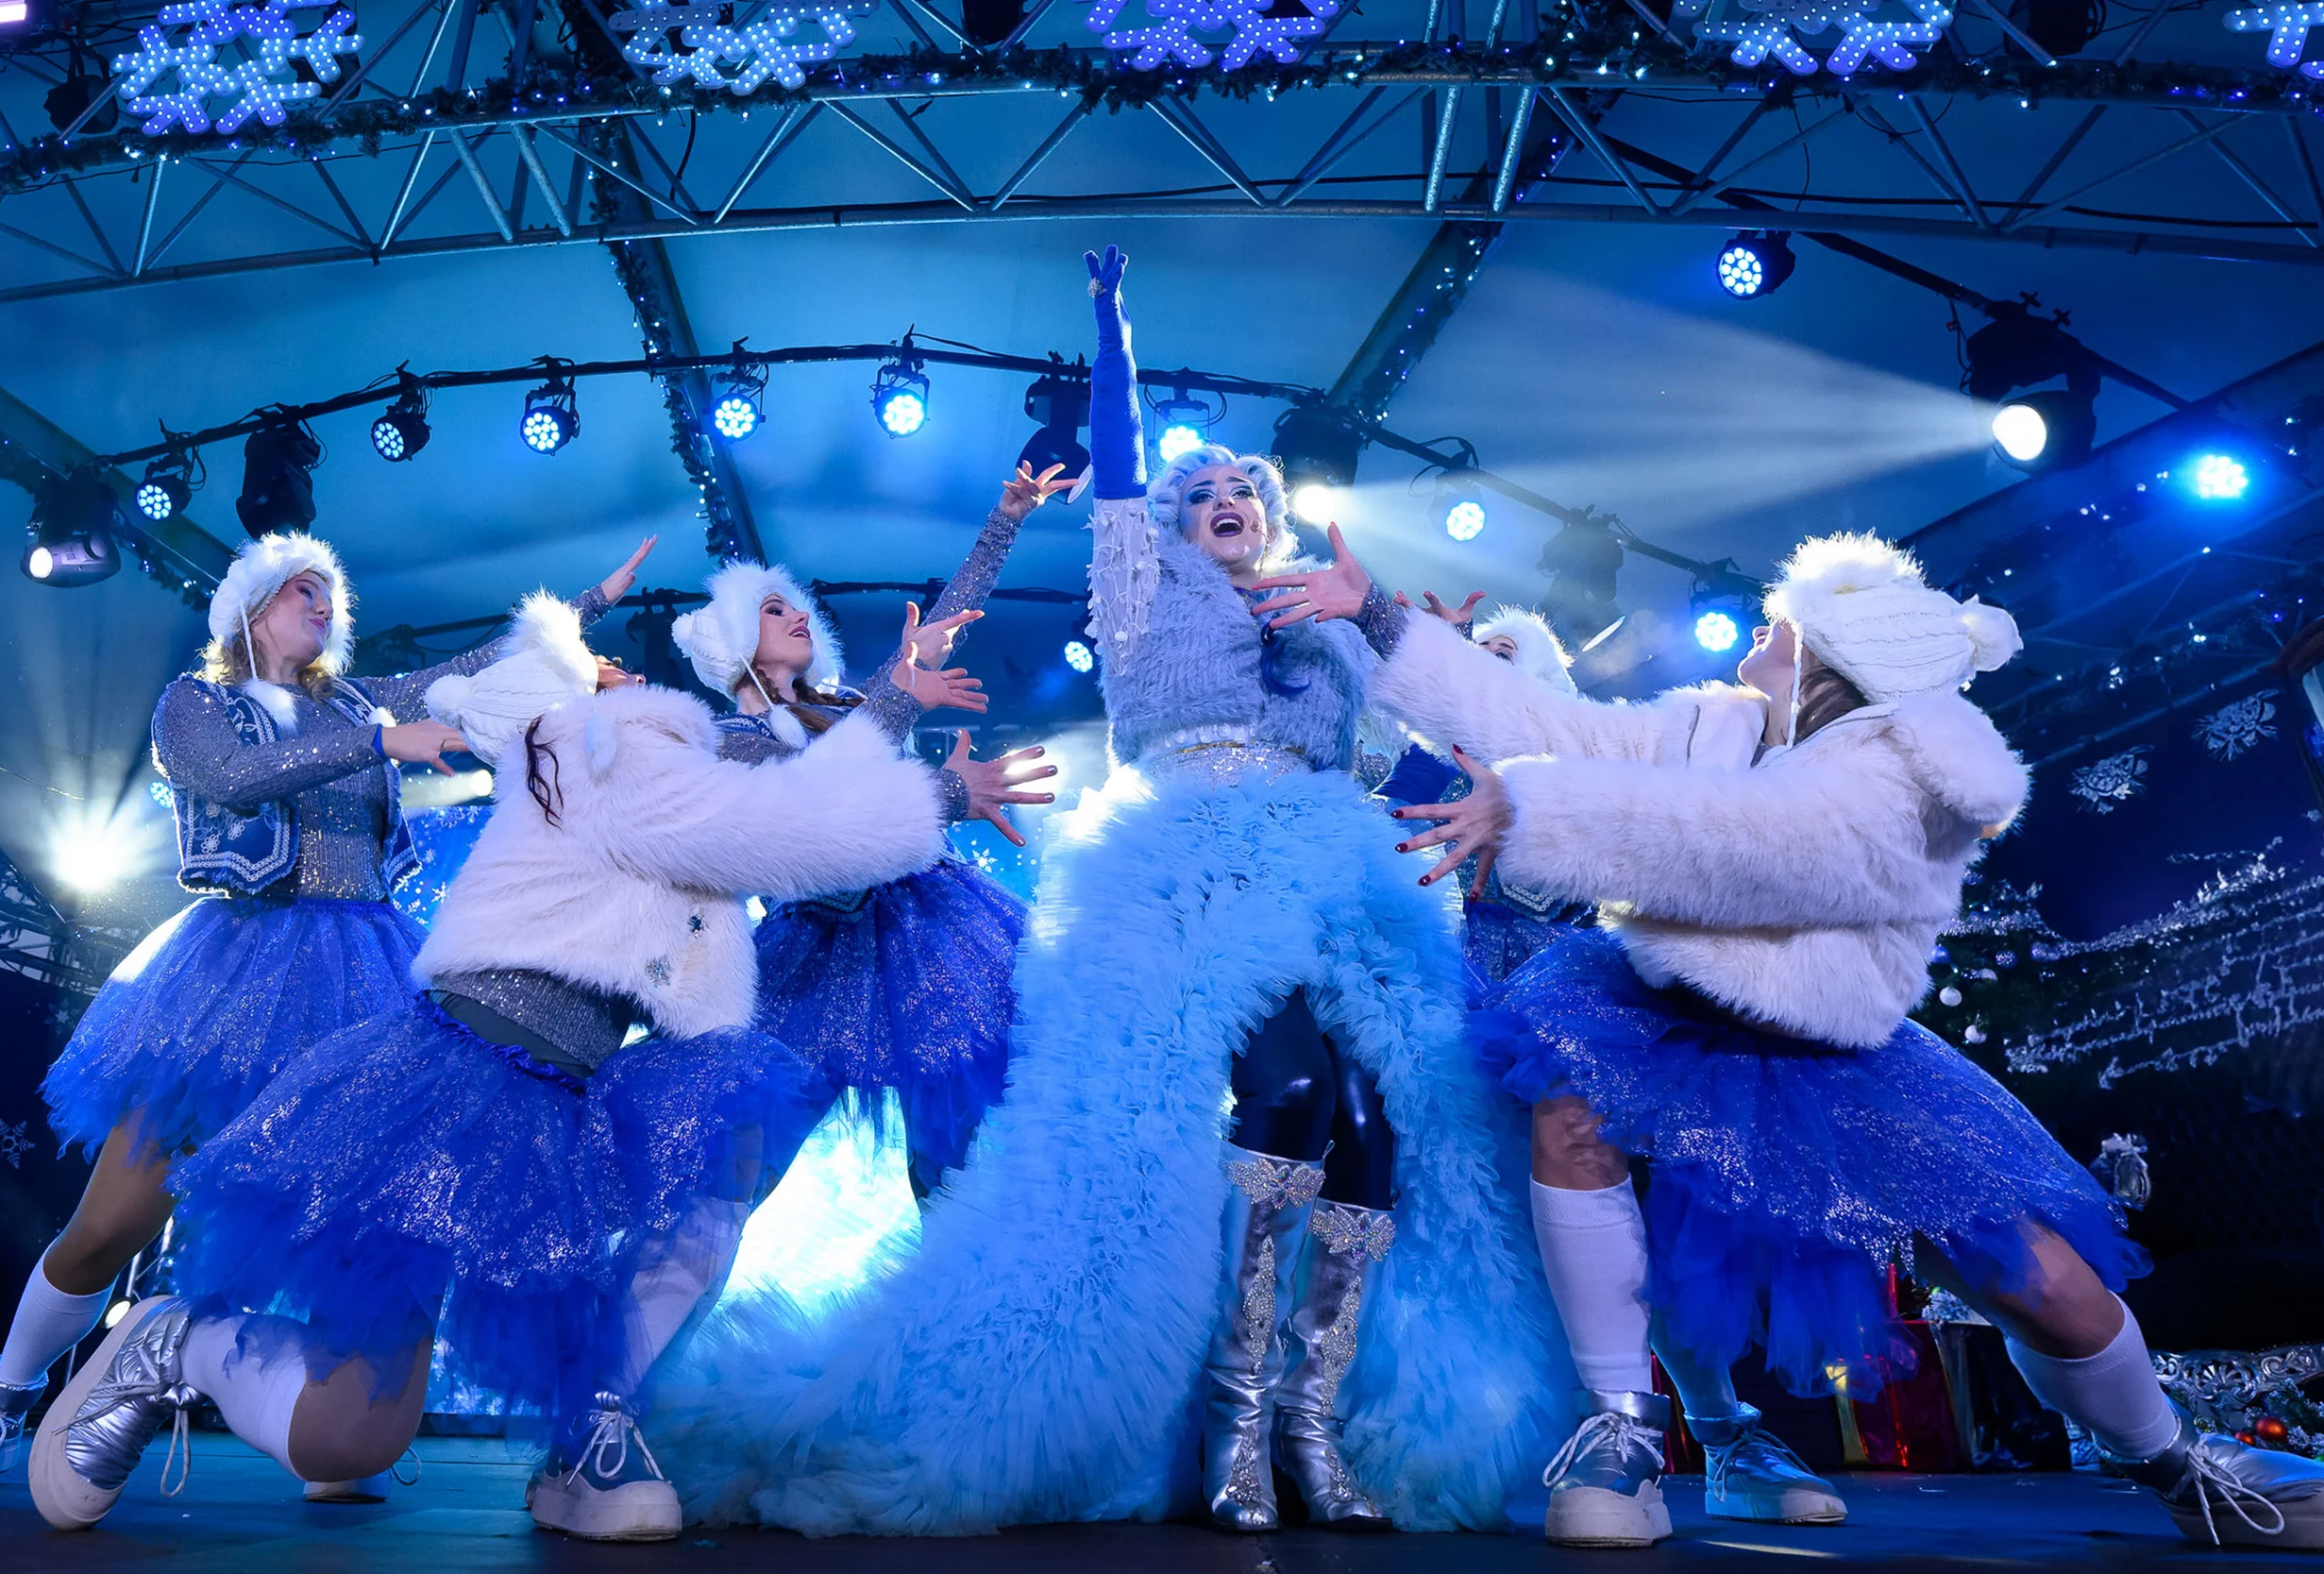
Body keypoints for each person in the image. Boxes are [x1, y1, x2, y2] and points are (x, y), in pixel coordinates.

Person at [647, 243, 1570, 1537]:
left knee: (1373, 1122)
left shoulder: (1326, 633)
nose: (1227, 499)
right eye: (1206, 494)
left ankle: (1310, 1423)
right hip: (1195, 871)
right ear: (1177, 527)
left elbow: (1398, 760)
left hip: (1332, 874)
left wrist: (1489, 771)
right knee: (1289, 1091)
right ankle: (1235, 1418)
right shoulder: (1144, 597)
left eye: (1245, 491)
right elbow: (1126, 471)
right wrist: (1111, 325)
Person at [1259, 530, 2324, 1550]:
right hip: (1663, 1017)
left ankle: (2173, 1461)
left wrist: (1533, 811)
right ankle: (1623, 1430)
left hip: (1834, 1059)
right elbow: (1557, 722)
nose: (1756, 631)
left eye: (1779, 623)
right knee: (1571, 1106)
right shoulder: (1717, 725)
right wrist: (1381, 621)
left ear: (1830, 656)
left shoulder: (1908, 776)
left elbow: (1762, 847)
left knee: (2042, 1283)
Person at [23, 594, 986, 1544]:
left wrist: (892, 698)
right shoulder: (602, 750)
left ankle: (591, 1435)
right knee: (347, 1434)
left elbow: (792, 781)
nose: (625, 669)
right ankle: (172, 1339)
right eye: (603, 665)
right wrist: (928, 765)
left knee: (718, 1145)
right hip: (453, 1084)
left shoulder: (681, 756)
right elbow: (797, 824)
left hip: (560, 1100)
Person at [0, 531, 648, 1491]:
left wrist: (581, 613)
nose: (322, 603)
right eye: (300, 589)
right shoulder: (196, 703)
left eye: (330, 593)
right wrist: (379, 742)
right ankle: (4, 1388)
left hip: (370, 977)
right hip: (235, 982)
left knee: (358, 1213)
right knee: (112, 1222)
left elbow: (477, 667)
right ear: (248, 609)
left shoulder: (361, 698)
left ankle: (334, 1410)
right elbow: (229, 776)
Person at [669, 465, 1069, 1194]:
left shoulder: (848, 705)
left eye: (797, 607)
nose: (798, 615)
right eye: (772, 610)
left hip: (930, 927)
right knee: (742, 1161)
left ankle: (960, 1263)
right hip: (814, 952)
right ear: (736, 641)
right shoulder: (728, 742)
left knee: (953, 1160)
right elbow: (815, 814)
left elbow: (947, 620)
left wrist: (1006, 518)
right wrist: (941, 782)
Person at [1373, 601, 1591, 987]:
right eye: (1480, 649)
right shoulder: (1430, 726)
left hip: (1494, 938)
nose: (1487, 657)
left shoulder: (1548, 754)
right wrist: (1443, 642)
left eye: (1504, 653)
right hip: (1393, 887)